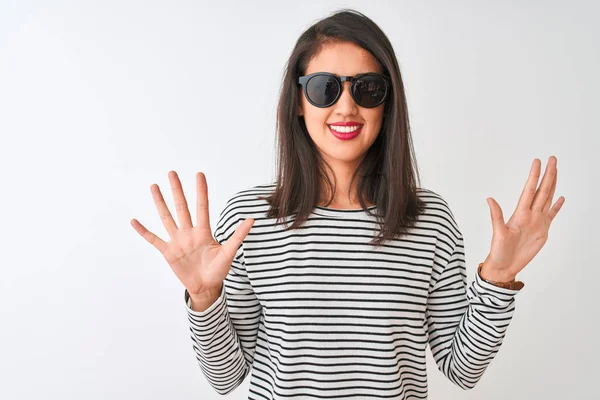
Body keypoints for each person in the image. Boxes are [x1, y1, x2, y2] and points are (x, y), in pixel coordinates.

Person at [130, 8, 564, 400]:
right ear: (299, 102)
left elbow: (462, 369)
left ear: (387, 103)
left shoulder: (430, 220)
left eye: (368, 88)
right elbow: (226, 377)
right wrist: (204, 297)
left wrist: (499, 277)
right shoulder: (249, 221)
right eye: (325, 88)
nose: (346, 106)